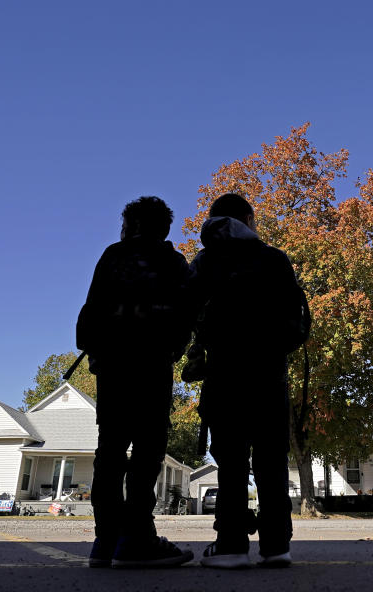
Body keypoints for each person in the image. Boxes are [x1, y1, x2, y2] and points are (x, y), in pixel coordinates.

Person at [184, 193, 309, 569]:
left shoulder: (204, 262)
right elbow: (296, 319)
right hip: (270, 375)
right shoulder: (273, 259)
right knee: (272, 460)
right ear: (249, 219)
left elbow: (188, 315)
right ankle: (276, 545)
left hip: (223, 378)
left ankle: (231, 544)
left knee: (232, 464)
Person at [76, 196, 193, 569]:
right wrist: (173, 349)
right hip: (152, 367)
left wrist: (96, 351)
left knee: (109, 452)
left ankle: (105, 541)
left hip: (114, 368)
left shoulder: (113, 256)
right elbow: (186, 317)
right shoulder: (174, 264)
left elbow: (90, 313)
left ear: (129, 225)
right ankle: (136, 539)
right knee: (147, 452)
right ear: (164, 229)